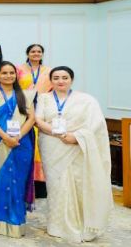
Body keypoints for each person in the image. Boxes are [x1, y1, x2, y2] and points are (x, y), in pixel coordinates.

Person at [35, 66, 112, 243]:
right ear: (51, 80)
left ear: (71, 79)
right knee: (55, 185)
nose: (60, 81)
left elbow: (95, 125)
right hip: (51, 145)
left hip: (75, 145)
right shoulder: (44, 98)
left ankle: (80, 223)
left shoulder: (86, 100)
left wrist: (75, 137)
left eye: (64, 77)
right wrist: (60, 134)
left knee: (77, 183)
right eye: (56, 77)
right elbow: (38, 120)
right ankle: (56, 224)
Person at [0, 61, 36, 238]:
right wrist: (5, 137)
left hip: (21, 144)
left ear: (16, 75)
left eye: (11, 73)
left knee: (17, 182)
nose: (8, 76)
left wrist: (18, 136)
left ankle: (15, 222)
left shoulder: (24, 95)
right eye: (4, 73)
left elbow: (31, 118)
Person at [18, 44, 52, 184]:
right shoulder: (18, 69)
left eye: (39, 52)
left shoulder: (49, 71)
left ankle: (40, 179)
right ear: (27, 53)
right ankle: (26, 177)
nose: (36, 54)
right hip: (24, 107)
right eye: (33, 51)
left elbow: (52, 89)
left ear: (42, 54)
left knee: (41, 140)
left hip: (43, 107)